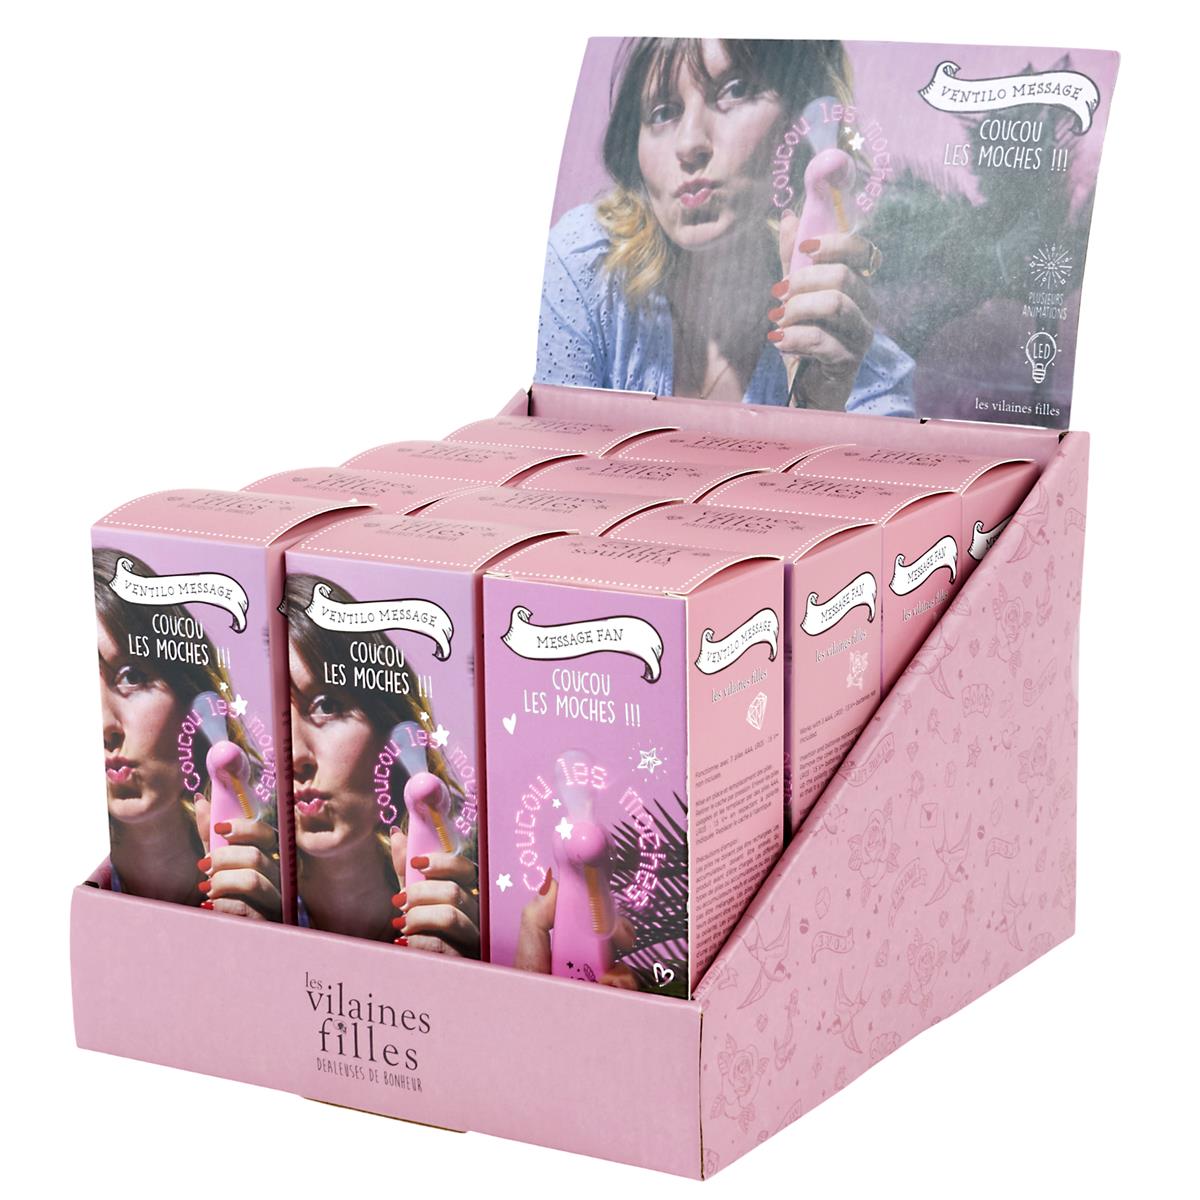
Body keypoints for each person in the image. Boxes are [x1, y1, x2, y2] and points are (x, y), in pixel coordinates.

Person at [537, 37, 914, 414]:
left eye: (735, 91)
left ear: (802, 119)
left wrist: (816, 407)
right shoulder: (586, 267)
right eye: (663, 112)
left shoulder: (861, 373)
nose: (689, 144)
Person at [286, 574, 480, 956]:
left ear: (389, 732)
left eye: (327, 705)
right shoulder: (247, 897)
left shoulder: (473, 904)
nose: (296, 757)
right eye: (278, 712)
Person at [95, 547, 282, 918]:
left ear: (190, 700)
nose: (106, 726)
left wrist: (270, 935)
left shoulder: (275, 867)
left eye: (132, 676)